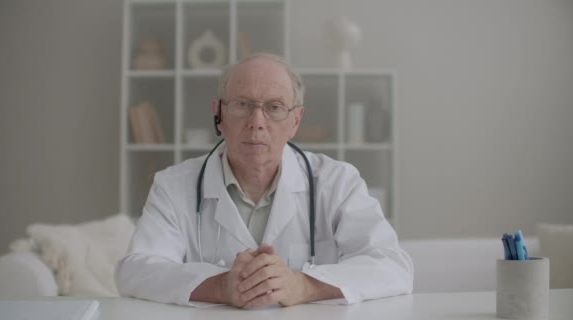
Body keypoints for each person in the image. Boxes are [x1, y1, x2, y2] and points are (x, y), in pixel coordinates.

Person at [115, 53, 413, 308]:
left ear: (295, 120)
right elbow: (134, 271)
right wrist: (220, 287)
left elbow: (393, 266)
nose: (257, 121)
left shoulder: (337, 182)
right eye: (242, 104)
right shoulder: (173, 185)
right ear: (218, 114)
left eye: (274, 107)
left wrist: (303, 286)